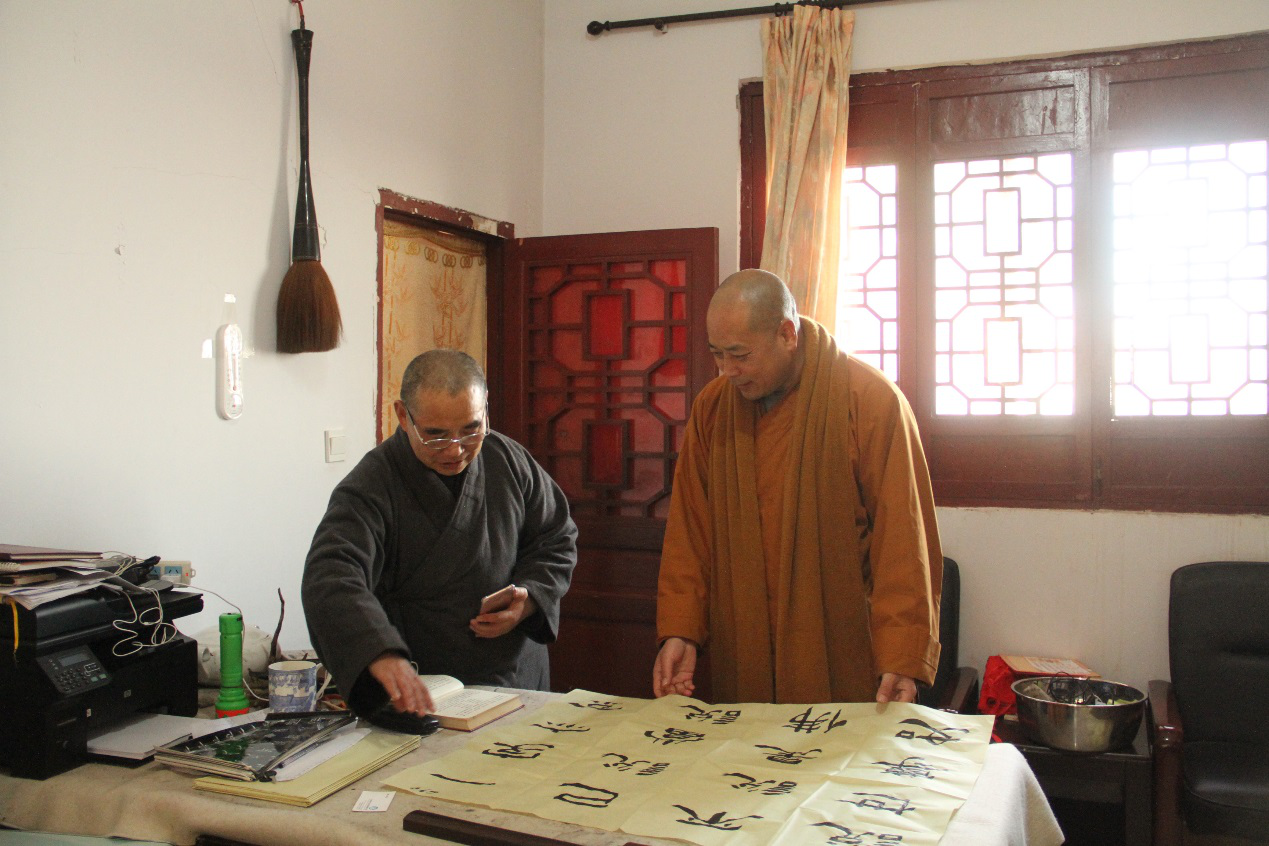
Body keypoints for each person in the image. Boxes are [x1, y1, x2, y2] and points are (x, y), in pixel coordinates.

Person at [653, 269, 942, 706]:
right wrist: (682, 629)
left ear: (787, 334)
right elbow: (689, 533)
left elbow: (902, 542)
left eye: (740, 355)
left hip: (838, 645)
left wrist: (902, 657)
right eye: (717, 355)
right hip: (743, 644)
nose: (727, 370)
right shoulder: (713, 409)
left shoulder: (870, 401)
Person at [302, 349, 577, 720]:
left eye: (471, 430)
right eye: (435, 435)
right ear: (403, 416)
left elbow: (556, 537)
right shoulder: (372, 485)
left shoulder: (510, 461)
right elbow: (331, 574)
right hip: (425, 689)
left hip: (518, 677)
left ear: (485, 410)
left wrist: (530, 599)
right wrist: (379, 653)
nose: (455, 450)